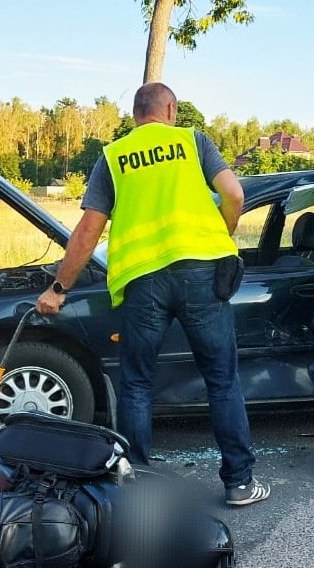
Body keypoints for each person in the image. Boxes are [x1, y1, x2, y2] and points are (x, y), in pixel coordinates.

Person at [36, 82, 270, 506]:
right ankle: (239, 482)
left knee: (138, 384)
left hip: (143, 280)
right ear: (170, 109)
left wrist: (58, 288)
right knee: (221, 380)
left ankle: (136, 485)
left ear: (136, 114)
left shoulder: (114, 157)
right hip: (202, 272)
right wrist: (222, 234)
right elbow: (234, 193)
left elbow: (90, 229)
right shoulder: (192, 141)